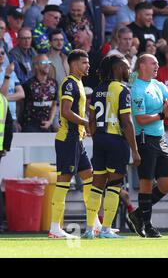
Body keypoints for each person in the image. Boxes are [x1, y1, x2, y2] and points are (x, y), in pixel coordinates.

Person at [82, 55, 141, 239]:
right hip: (116, 141)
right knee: (115, 186)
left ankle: (90, 229)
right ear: (117, 68)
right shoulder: (122, 90)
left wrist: (97, 137)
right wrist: (135, 150)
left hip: (99, 140)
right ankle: (107, 229)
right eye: (126, 65)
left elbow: (90, 120)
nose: (129, 69)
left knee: (96, 186)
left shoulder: (98, 90)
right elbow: (127, 122)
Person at [49, 49, 97, 239]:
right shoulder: (69, 83)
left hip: (75, 138)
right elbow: (67, 112)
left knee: (89, 177)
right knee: (63, 182)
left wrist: (82, 127)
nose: (88, 66)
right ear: (74, 64)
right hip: (67, 139)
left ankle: (95, 223)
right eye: (84, 63)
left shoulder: (78, 83)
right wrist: (86, 122)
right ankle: (54, 227)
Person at [129, 54, 168, 238]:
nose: (157, 66)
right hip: (144, 139)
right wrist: (162, 115)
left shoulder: (157, 84)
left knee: (166, 184)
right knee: (146, 183)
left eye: (157, 63)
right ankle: (147, 225)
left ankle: (138, 214)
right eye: (153, 63)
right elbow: (140, 119)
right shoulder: (137, 89)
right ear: (142, 65)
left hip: (160, 139)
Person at [20, 54, 58, 132]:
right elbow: (20, 105)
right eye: (44, 62)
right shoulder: (28, 84)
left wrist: (50, 121)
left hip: (47, 125)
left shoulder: (54, 83)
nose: (47, 65)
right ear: (36, 66)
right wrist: (18, 122)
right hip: (30, 126)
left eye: (48, 62)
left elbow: (54, 104)